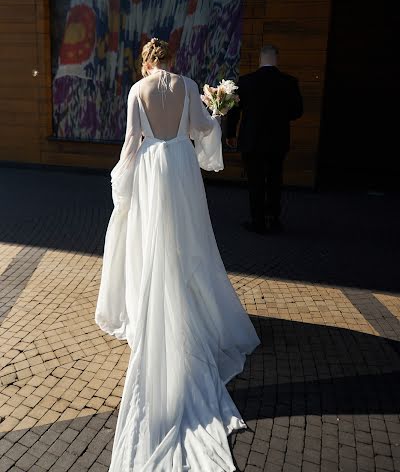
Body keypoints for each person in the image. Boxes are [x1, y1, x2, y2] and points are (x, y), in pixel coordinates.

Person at [94, 38, 260, 471]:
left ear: (148, 63)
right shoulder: (188, 85)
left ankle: (156, 301)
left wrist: (120, 180)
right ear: (172, 60)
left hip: (152, 170)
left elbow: (132, 140)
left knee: (151, 239)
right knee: (190, 239)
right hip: (182, 169)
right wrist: (217, 114)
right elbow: (204, 130)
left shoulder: (137, 90)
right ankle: (193, 303)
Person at [226, 45, 303, 234]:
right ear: (277, 59)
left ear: (260, 59)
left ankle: (258, 221)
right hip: (278, 139)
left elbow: (234, 111)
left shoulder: (245, 82)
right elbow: (297, 111)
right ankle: (274, 219)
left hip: (251, 140)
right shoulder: (289, 82)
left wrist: (230, 134)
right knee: (275, 179)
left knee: (255, 181)